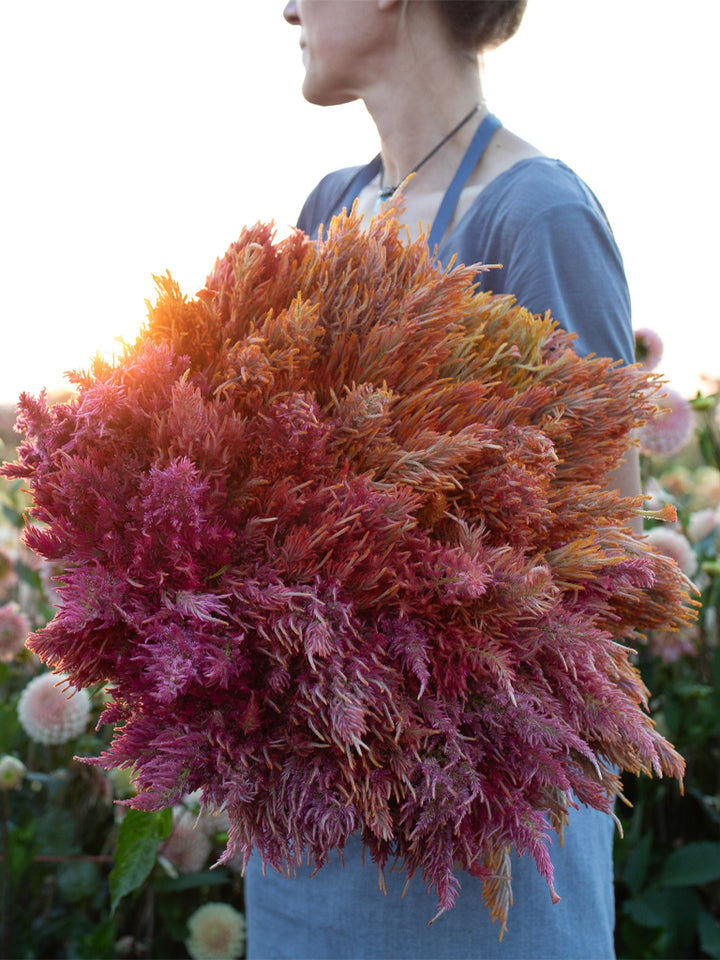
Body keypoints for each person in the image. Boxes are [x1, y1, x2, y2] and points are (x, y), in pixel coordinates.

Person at [244, 2, 638, 956]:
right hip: (314, 829)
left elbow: (605, 552)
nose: (288, 7)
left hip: (471, 842)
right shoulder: (327, 209)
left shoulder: (535, 212)